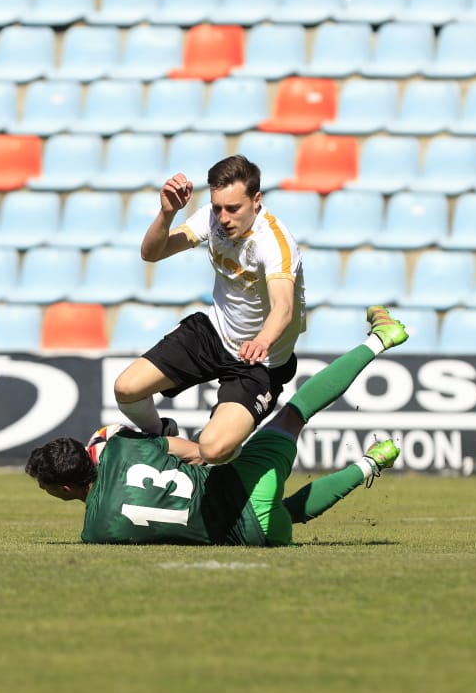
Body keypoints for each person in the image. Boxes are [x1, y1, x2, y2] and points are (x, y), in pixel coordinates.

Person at [26, 306, 408, 547]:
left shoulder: (96, 533)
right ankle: (378, 340)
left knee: (286, 515)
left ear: (64, 488)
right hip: (242, 478)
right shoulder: (123, 449)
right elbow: (188, 451)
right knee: (296, 412)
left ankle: (372, 464)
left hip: (253, 534)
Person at [113, 154, 305, 464]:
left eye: (233, 208)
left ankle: (207, 454)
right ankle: (162, 435)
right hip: (213, 333)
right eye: (218, 207)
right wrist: (166, 213)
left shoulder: (276, 242)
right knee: (126, 389)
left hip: (260, 360)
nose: (224, 217)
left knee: (213, 450)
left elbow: (283, 308)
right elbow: (151, 253)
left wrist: (262, 340)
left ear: (256, 200)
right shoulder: (211, 218)